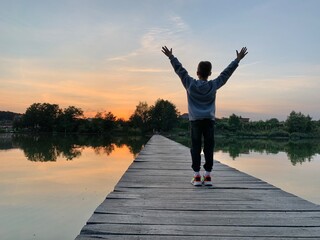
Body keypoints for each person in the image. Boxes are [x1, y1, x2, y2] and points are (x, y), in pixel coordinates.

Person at [161, 45, 248, 186]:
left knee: (195, 147)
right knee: (208, 147)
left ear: (197, 72)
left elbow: (180, 70)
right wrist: (237, 60)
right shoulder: (213, 85)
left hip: (195, 121)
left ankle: (196, 176)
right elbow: (226, 74)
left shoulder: (190, 83)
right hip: (209, 121)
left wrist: (171, 57)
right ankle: (207, 176)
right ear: (210, 73)